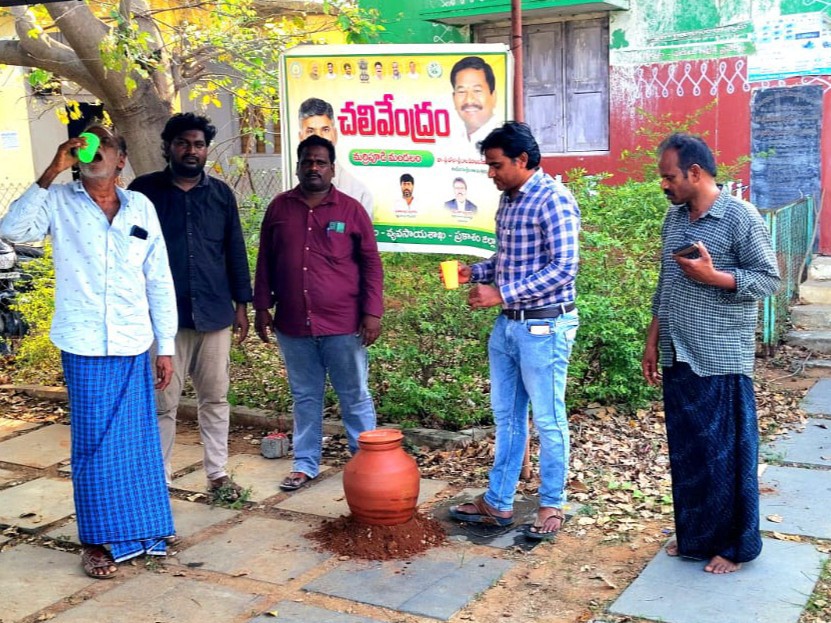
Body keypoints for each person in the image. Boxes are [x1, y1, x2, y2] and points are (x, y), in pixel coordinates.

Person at [0, 123, 177, 578]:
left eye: (105, 143)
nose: (93, 148)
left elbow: (158, 278)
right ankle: (97, 541)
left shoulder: (141, 206)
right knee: (95, 446)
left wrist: (166, 346)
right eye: (85, 142)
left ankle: (143, 531)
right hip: (83, 344)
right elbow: (12, 230)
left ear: (121, 160)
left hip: (133, 341)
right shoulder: (58, 200)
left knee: (136, 442)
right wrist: (51, 170)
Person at [642, 133, 780, 574]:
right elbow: (665, 285)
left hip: (720, 353)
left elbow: (769, 279)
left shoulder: (740, 217)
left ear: (695, 172)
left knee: (726, 455)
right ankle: (697, 537)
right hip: (678, 350)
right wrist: (652, 341)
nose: (664, 184)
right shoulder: (675, 218)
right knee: (689, 453)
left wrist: (714, 276)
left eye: (669, 177)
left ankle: (736, 547)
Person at [446, 122, 580, 542]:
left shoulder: (554, 198)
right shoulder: (509, 199)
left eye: (496, 165)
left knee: (549, 419)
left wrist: (501, 293)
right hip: (508, 325)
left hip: (545, 325)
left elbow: (564, 268)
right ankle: (499, 501)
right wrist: (475, 272)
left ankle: (551, 504)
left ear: (522, 160)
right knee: (507, 417)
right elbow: (509, 260)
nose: (491, 173)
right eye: (488, 165)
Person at [128, 113, 253, 501]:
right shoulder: (143, 192)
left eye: (198, 144)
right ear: (168, 147)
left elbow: (234, 250)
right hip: (163, 321)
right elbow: (127, 252)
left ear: (206, 149)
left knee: (215, 398)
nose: (191, 150)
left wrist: (242, 305)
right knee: (161, 402)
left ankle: (217, 474)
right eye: (183, 143)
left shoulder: (220, 195)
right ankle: (158, 479)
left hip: (214, 314)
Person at [253, 135, 383, 492]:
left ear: (332, 169)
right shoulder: (279, 208)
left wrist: (372, 312)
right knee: (305, 396)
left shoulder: (351, 210)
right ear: (297, 167)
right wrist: (261, 306)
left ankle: (367, 466)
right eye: (307, 161)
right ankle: (304, 464)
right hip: (293, 323)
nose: (313, 167)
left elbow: (371, 264)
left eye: (321, 162)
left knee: (354, 395)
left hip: (343, 323)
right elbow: (265, 260)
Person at [298, 98, 373, 219]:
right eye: (310, 131)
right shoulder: (284, 201)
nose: (318, 137)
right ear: (301, 137)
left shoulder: (359, 194)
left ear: (335, 135)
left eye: (325, 130)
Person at [450, 56, 500, 147]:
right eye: (462, 91)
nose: (469, 100)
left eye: (477, 90)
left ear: (493, 96)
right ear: (454, 98)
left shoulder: (505, 139)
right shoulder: (451, 140)